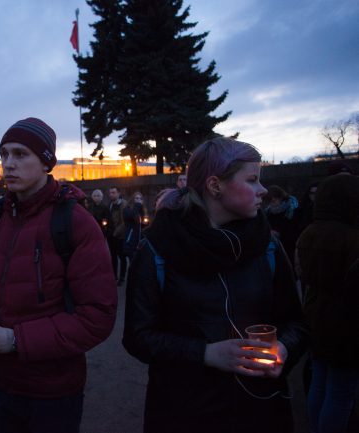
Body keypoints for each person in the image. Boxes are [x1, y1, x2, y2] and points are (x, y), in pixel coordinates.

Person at [123, 137, 308, 433]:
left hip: (261, 411)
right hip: (184, 413)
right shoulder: (158, 248)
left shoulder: (268, 246)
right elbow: (137, 337)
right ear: (215, 186)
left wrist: (285, 349)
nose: (262, 190)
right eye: (252, 180)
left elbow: (297, 323)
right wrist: (206, 354)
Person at [0, 117, 117, 433]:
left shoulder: (75, 222)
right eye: (4, 154)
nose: (8, 164)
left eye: (20, 154)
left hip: (53, 388)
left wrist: (16, 339)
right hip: (1, 380)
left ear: (46, 161)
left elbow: (97, 316)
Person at [296, 174, 359, 433]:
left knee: (320, 382)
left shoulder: (309, 233)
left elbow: (302, 275)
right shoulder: (352, 238)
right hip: (347, 324)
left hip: (316, 316)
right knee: (341, 392)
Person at [265, 185, 299, 264]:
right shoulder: (268, 212)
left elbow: (294, 229)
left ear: (281, 197)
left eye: (275, 198)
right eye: (270, 199)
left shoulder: (292, 210)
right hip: (275, 246)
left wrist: (280, 234)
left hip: (289, 246)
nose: (273, 200)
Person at [107, 186, 127, 284]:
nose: (111, 194)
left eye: (113, 192)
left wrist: (115, 233)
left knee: (122, 257)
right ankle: (114, 277)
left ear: (118, 193)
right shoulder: (110, 204)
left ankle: (122, 278)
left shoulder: (123, 204)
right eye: (110, 193)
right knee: (113, 256)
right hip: (112, 235)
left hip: (120, 236)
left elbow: (124, 222)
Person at [122, 191, 148, 260]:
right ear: (132, 199)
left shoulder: (143, 211)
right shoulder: (127, 210)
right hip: (131, 240)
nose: (139, 200)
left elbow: (144, 225)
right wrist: (137, 206)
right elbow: (132, 216)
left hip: (141, 242)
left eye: (140, 199)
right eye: (137, 198)